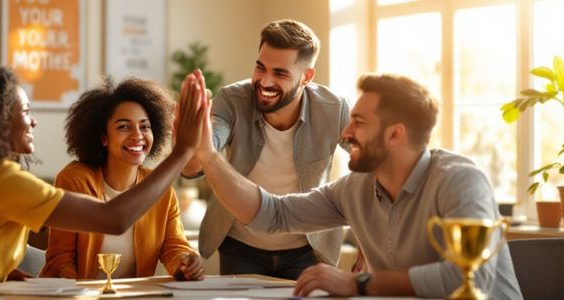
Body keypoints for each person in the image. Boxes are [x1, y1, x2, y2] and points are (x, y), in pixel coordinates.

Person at [187, 72, 522, 298]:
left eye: (358, 123)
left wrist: (357, 282)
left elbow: (470, 280)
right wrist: (208, 156)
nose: (345, 134)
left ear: (395, 134)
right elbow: (272, 214)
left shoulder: (460, 180)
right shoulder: (354, 189)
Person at [0, 67, 208, 281]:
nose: (33, 122)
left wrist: (3, 273)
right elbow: (113, 219)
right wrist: (182, 151)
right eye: (25, 112)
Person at [180, 19, 350, 279]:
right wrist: (190, 140)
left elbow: (375, 166)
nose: (265, 81)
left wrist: (371, 246)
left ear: (306, 76)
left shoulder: (333, 109)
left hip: (307, 249)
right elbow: (197, 163)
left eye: (280, 73)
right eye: (260, 67)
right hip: (241, 247)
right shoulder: (232, 100)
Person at [40, 78, 204, 281]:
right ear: (103, 138)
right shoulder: (74, 180)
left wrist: (186, 261)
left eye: (145, 127)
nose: (138, 136)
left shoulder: (158, 186)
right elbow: (60, 260)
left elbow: (174, 246)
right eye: (124, 127)